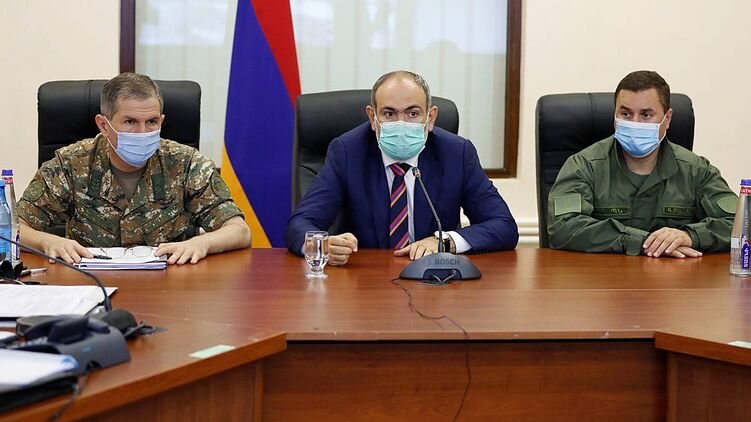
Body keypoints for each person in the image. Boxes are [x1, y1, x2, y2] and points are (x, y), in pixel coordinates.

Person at [286, 70, 518, 266]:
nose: (401, 123)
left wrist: (443, 241)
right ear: (372, 117)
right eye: (389, 113)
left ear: (431, 118)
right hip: (365, 281)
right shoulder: (348, 151)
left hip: (435, 280)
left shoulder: (456, 153)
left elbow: (503, 225)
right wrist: (322, 245)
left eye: (413, 113)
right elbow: (299, 224)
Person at [18, 73, 251, 265]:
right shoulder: (71, 164)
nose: (142, 132)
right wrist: (47, 242)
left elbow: (239, 231)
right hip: (90, 282)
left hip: (169, 285)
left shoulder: (186, 163)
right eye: (130, 122)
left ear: (161, 121)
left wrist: (201, 243)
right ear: (104, 125)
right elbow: (13, 226)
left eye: (151, 122)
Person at [547, 70, 736, 258]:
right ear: (614, 115)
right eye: (626, 114)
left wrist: (690, 236)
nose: (635, 123)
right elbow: (563, 227)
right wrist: (640, 241)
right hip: (604, 275)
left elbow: (742, 223)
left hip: (675, 275)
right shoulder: (583, 166)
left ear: (667, 118)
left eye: (646, 115)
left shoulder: (697, 171)